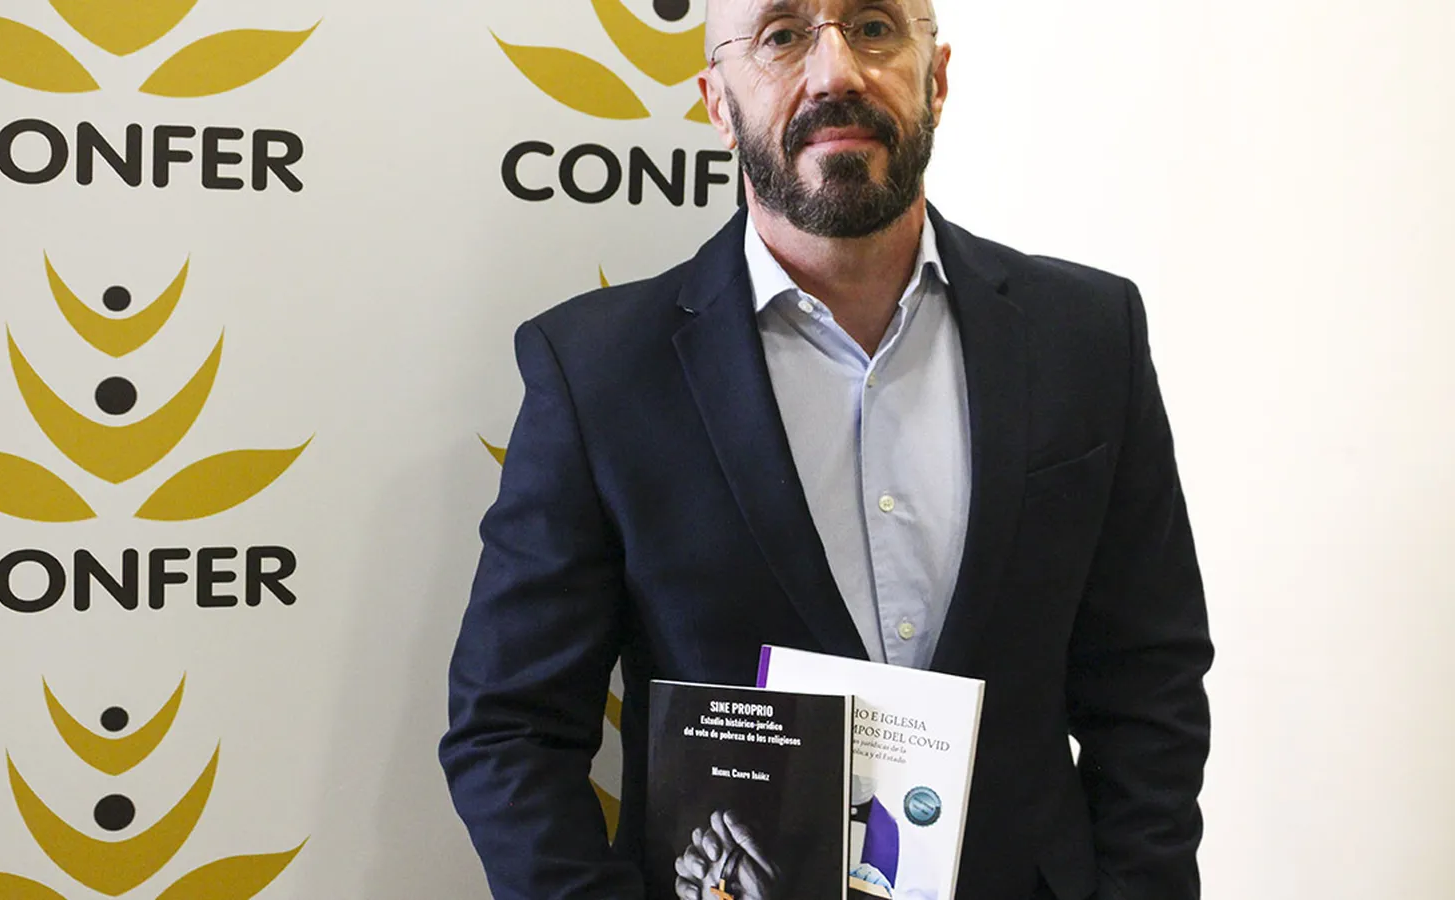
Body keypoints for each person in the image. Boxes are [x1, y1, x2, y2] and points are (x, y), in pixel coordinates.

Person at [439, 0, 1213, 898]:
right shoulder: (598, 373)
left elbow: (1149, 683)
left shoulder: (1087, 336)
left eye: (875, 26)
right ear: (718, 104)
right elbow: (512, 729)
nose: (836, 71)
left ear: (937, 78)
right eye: (782, 36)